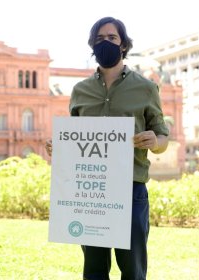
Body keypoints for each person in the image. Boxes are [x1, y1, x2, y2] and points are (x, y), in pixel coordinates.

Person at [45, 17, 169, 280]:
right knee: (94, 270)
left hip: (131, 190)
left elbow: (162, 137)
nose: (106, 43)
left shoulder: (146, 88)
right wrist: (61, 147)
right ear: (92, 46)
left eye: (112, 38)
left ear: (123, 44)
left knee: (133, 270)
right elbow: (75, 140)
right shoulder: (80, 91)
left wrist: (155, 141)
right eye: (99, 39)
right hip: (91, 192)